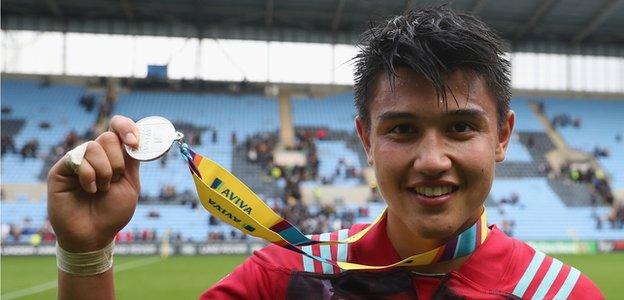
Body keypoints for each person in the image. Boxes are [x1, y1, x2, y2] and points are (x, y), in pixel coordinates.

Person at [47, 7, 602, 300]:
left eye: (460, 128)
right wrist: (86, 253)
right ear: (365, 139)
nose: (432, 159)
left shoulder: (563, 295)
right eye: (403, 129)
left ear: (503, 137)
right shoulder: (287, 275)